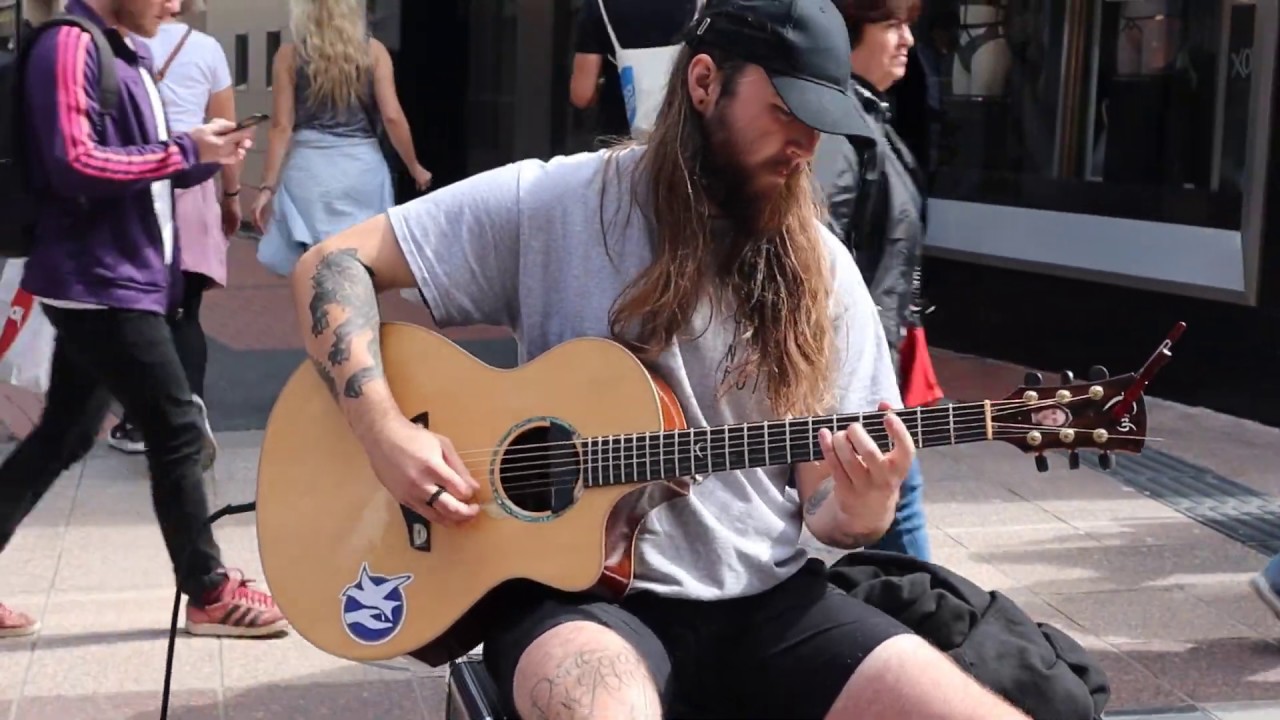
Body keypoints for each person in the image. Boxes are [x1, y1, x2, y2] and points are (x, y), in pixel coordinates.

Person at [290, 0, 1032, 717]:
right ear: (705, 82)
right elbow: (332, 265)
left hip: (768, 604)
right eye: (785, 112)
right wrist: (384, 432)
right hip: (578, 601)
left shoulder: (824, 271)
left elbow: (826, 509)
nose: (807, 144)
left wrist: (860, 510)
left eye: (821, 122)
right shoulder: (557, 202)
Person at [0, 0, 287, 640]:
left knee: (65, 436)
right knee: (178, 427)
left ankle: (208, 590)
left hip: (116, 280)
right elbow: (74, 162)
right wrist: (184, 146)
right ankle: (210, 592)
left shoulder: (120, 50)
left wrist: (199, 156)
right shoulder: (70, 46)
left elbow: (133, 161)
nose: (179, 6)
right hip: (100, 283)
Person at [812, 0, 937, 561]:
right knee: (898, 504)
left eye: (908, 25)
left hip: (880, 353)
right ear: (848, 36)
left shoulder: (869, 119)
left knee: (896, 502)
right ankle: (934, 628)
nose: (906, 39)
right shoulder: (843, 130)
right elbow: (817, 249)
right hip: (855, 364)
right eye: (891, 25)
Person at [109, 0, 238, 460]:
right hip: (195, 184)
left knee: (137, 313)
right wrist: (232, 197)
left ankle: (138, 421)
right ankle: (191, 410)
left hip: (136, 181)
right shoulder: (207, 48)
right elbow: (225, 133)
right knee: (187, 312)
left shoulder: (117, 42)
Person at [252, 0, 430, 278]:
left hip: (309, 173)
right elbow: (392, 116)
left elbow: (281, 126)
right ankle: (356, 318)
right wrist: (414, 166)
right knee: (360, 268)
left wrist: (267, 186)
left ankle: (322, 319)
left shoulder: (289, 56)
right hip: (361, 172)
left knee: (314, 273)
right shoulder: (374, 52)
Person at [569, 0, 699, 141]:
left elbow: (582, 95)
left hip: (619, 141)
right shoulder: (702, 5)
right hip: (685, 140)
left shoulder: (597, 5)